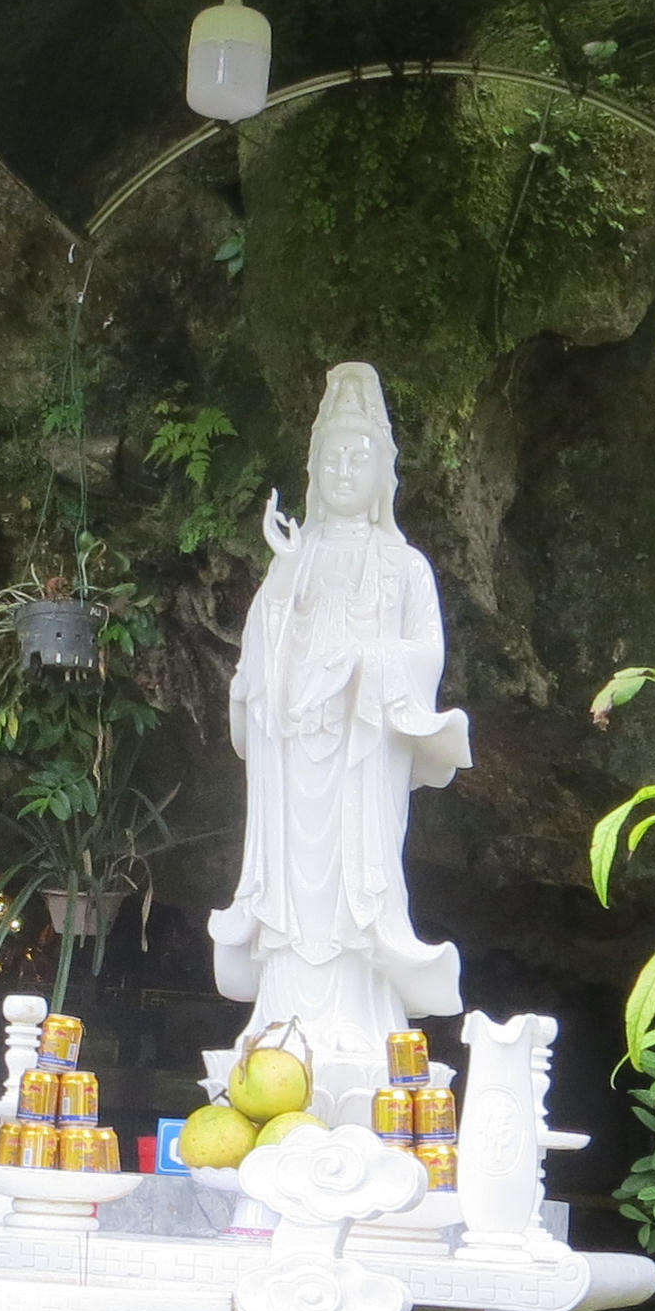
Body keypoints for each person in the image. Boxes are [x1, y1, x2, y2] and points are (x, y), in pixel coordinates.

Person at [209, 363, 473, 1096]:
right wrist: (284, 578)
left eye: (360, 458)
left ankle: (358, 1021)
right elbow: (258, 665)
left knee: (358, 886)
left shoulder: (404, 567)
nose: (344, 471)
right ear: (312, 470)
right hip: (294, 759)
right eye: (332, 458)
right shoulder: (291, 565)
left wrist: (361, 662)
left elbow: (425, 657)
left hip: (362, 760)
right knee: (292, 893)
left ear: (385, 473)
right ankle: (280, 1019)